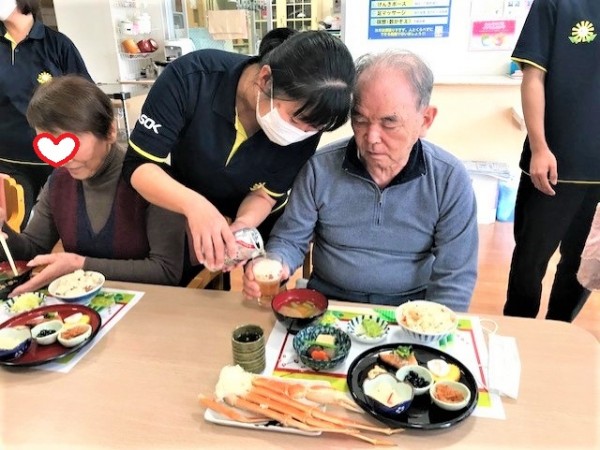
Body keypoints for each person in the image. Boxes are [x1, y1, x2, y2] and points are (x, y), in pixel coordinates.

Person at [242, 50, 478, 311]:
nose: (372, 137)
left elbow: (455, 278)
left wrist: (435, 324)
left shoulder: (449, 179)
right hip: (328, 304)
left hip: (410, 311)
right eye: (361, 119)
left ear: (425, 120)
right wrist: (275, 263)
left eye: (389, 122)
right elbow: (290, 240)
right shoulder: (319, 169)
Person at [123, 30, 355, 275]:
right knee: (188, 285)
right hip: (185, 203)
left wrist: (243, 225)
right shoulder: (192, 77)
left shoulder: (309, 123)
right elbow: (139, 165)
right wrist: (195, 206)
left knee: (260, 282)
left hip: (260, 216)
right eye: (296, 121)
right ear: (265, 79)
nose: (302, 133)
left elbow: (266, 195)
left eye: (314, 129)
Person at [0, 75, 186, 296]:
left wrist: (80, 265)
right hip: (86, 306)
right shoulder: (59, 182)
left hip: (157, 305)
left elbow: (166, 271)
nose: (64, 159)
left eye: (72, 142)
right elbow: (32, 249)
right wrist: (3, 231)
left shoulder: (154, 180)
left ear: (110, 131)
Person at [504, 0, 600, 322]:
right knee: (528, 263)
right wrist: (539, 147)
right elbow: (533, 77)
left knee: (581, 266)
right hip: (553, 168)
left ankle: (560, 332)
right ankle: (518, 333)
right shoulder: (555, 4)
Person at [0, 0, 92, 225]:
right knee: (14, 227)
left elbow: (86, 98)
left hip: (59, 160)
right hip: (8, 161)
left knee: (70, 225)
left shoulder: (58, 45)